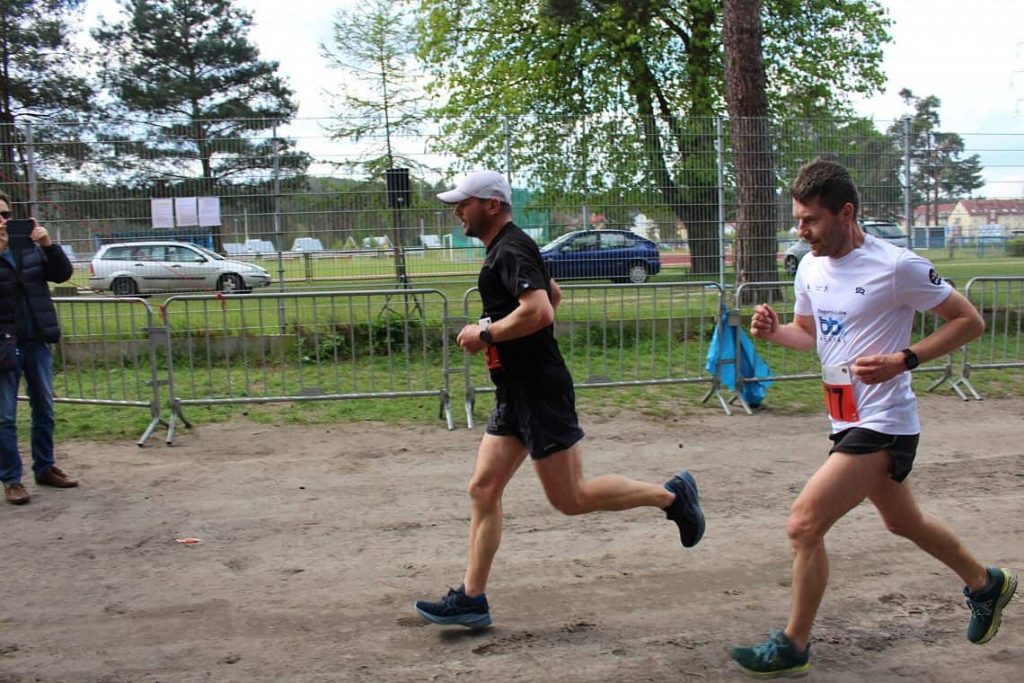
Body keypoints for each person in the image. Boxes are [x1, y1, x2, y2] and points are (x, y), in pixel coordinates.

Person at [729, 159, 1016, 678]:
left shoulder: (897, 266)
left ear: (846, 213)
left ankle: (794, 645)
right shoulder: (809, 266)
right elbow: (808, 334)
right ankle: (986, 583)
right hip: (844, 417)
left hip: (885, 420)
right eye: (797, 220)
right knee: (904, 522)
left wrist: (905, 359)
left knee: (804, 524)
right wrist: (774, 332)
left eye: (811, 220)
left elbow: (969, 321)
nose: (801, 231)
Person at [414, 171, 705, 628]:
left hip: (539, 392)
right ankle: (472, 599)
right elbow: (553, 294)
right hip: (515, 391)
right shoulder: (510, 247)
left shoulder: (510, 248)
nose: (457, 212)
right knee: (483, 489)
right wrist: (505, 332)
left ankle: (671, 497)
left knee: (571, 498)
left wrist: (485, 333)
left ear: (491, 205)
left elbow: (541, 309)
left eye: (463, 203)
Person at [0, 191, 77, 505]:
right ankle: (12, 480)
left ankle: (45, 467)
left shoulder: (28, 247)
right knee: (5, 416)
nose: (2, 221)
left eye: (5, 214)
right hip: (4, 345)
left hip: (37, 340)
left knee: (44, 408)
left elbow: (61, 274)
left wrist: (48, 245)